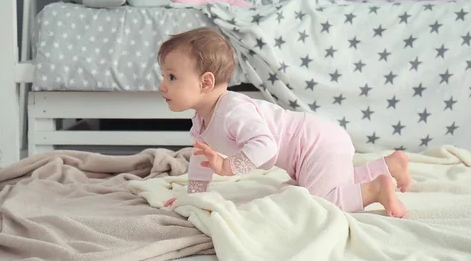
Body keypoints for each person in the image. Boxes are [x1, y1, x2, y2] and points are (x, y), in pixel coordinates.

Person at [158, 27, 411, 218]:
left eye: (171, 77)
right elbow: (202, 161)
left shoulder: (233, 111)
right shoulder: (201, 121)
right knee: (327, 184)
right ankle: (388, 166)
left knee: (317, 204)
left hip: (315, 143)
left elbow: (265, 146)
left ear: (206, 83)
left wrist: (227, 166)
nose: (162, 85)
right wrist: (193, 199)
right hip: (310, 147)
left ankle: (376, 190)